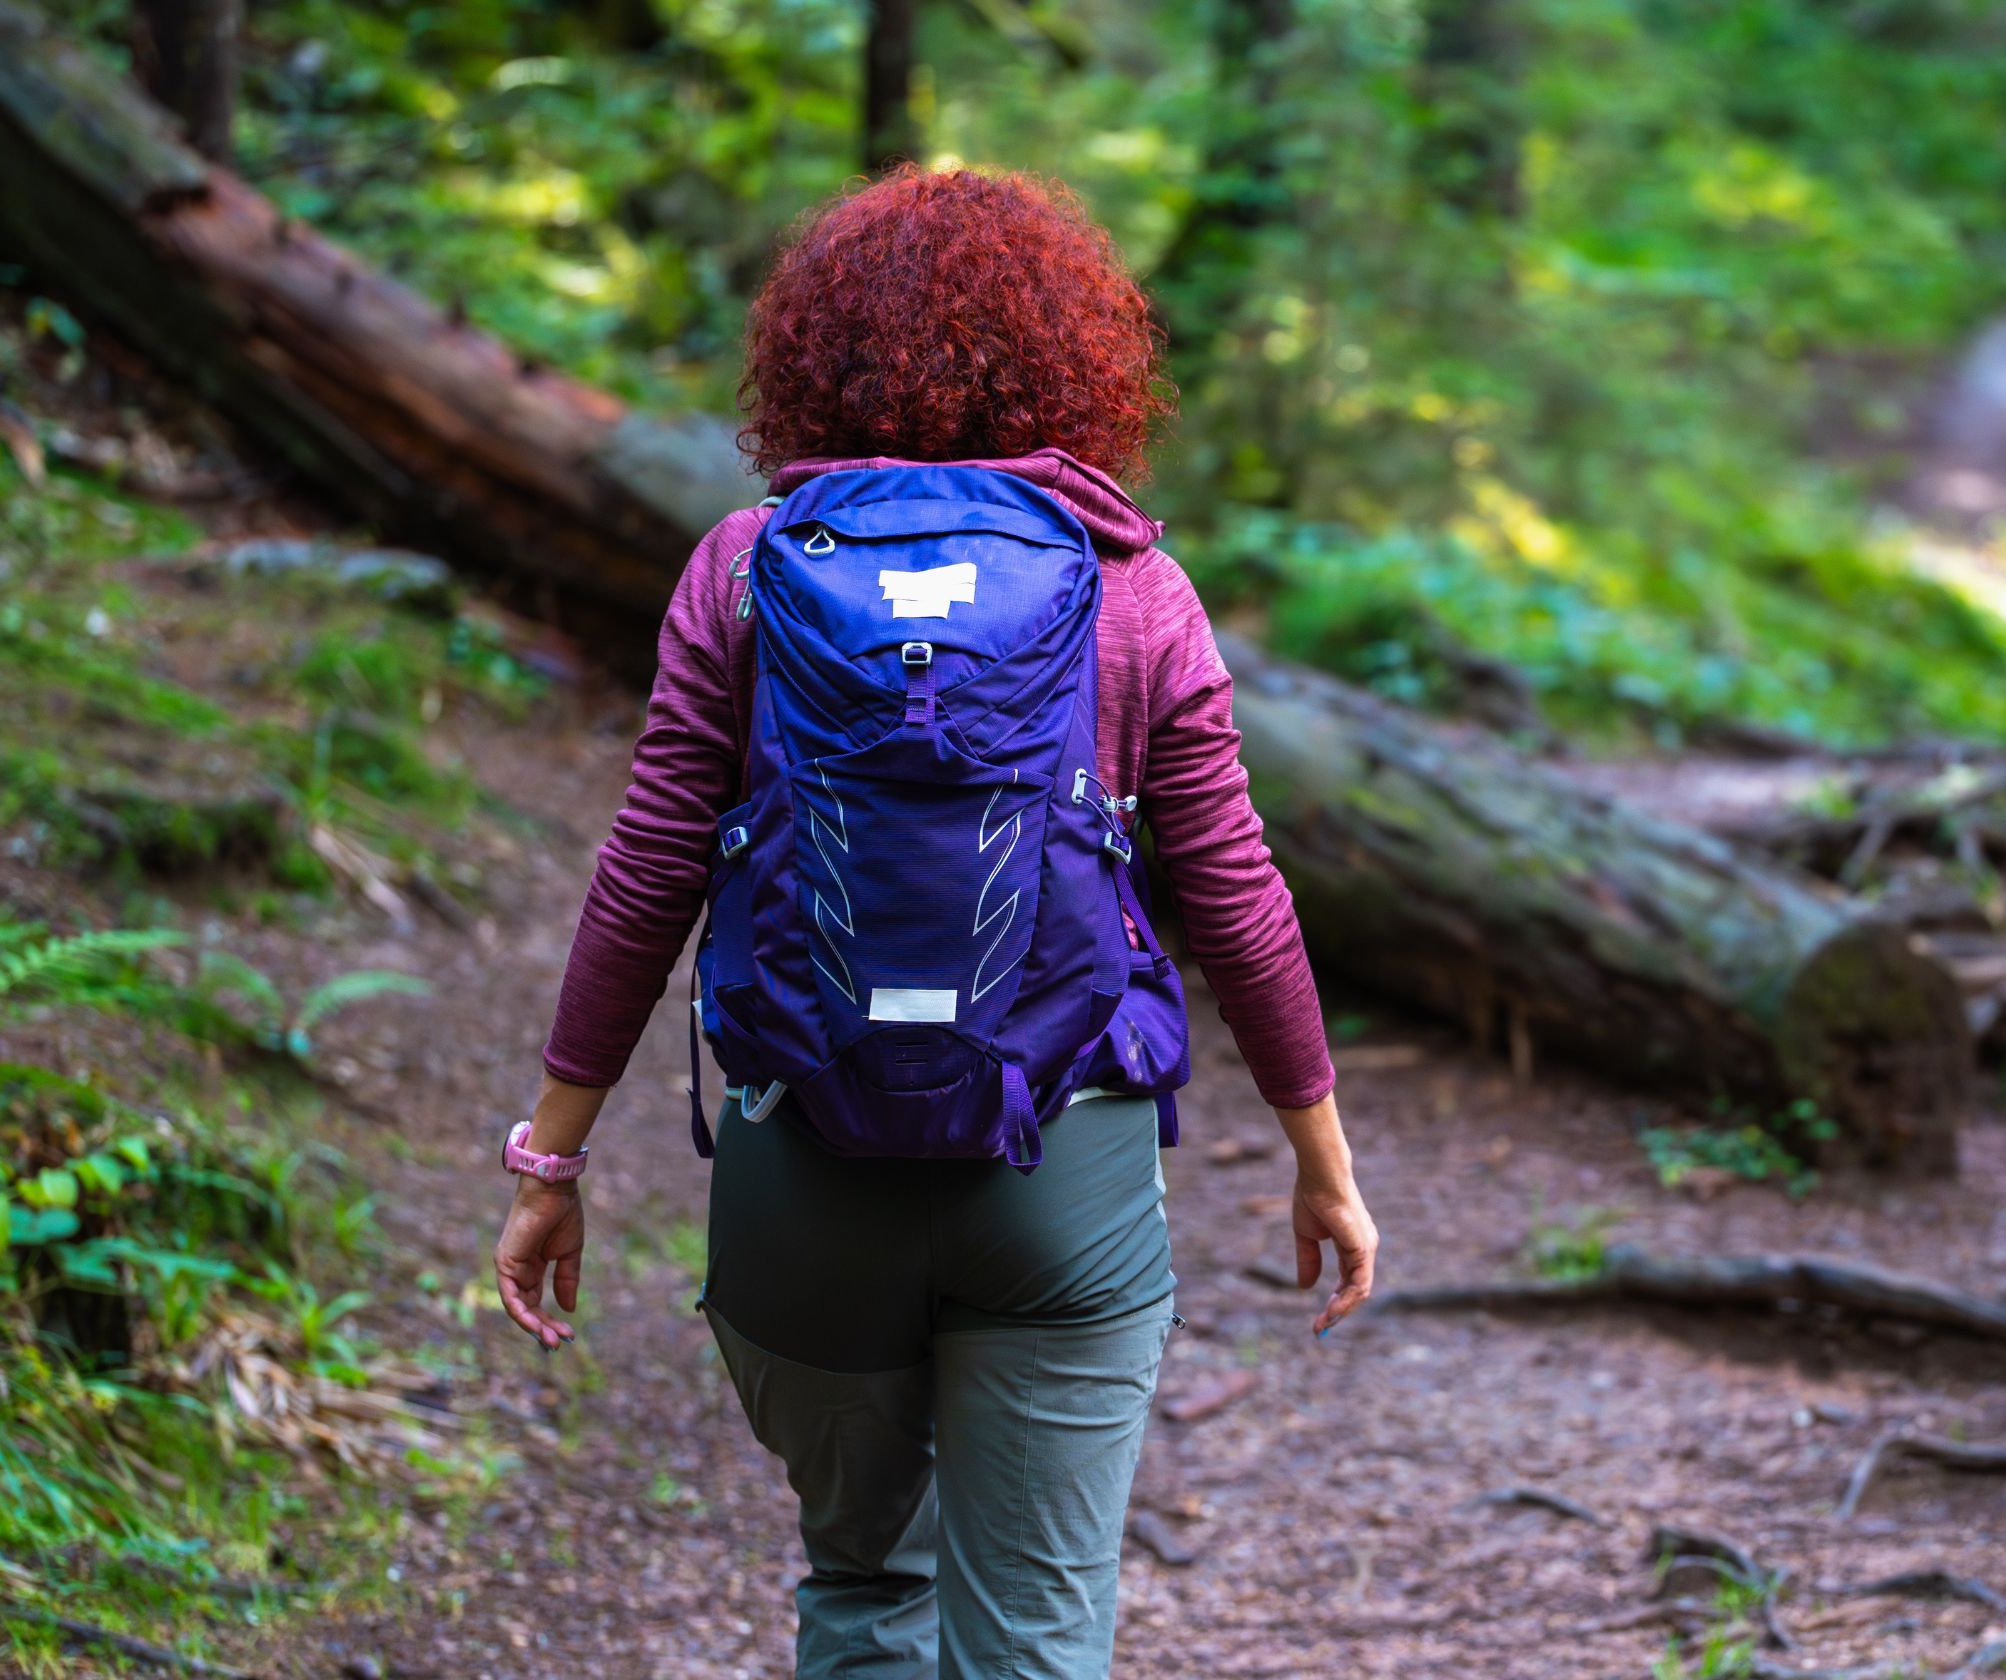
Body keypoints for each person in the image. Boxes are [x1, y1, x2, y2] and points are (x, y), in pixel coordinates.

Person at [490, 164, 1378, 1680]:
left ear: (814, 357)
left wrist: (551, 1160)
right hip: (1067, 1168)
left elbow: (648, 869)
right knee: (1033, 1629)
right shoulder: (1134, 588)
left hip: (805, 1175)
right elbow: (1234, 891)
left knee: (863, 1584)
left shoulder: (745, 573)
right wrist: (1322, 1164)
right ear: (1077, 355)